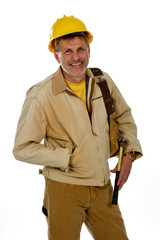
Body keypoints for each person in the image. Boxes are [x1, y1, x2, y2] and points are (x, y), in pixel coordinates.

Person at [13, 15, 143, 240]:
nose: (76, 58)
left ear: (89, 51)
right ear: (57, 56)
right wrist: (67, 158)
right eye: (68, 52)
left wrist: (129, 155)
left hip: (103, 187)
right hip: (64, 189)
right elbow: (22, 148)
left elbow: (124, 117)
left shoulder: (102, 80)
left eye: (80, 49)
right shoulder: (41, 95)